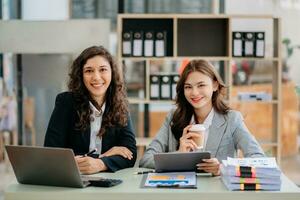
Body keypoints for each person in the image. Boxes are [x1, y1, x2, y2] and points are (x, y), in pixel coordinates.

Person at [139, 59, 264, 176]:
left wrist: (223, 167)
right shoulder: (173, 118)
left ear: (215, 85)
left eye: (201, 85)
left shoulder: (232, 120)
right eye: (188, 87)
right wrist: (178, 155)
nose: (194, 93)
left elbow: (259, 159)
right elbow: (146, 160)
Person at [44, 46, 137, 174]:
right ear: (81, 75)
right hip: (73, 182)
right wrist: (103, 157)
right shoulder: (66, 102)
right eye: (89, 71)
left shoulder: (120, 104)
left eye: (103, 69)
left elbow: (130, 154)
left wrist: (100, 164)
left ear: (112, 73)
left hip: (108, 184)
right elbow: (52, 152)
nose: (96, 77)